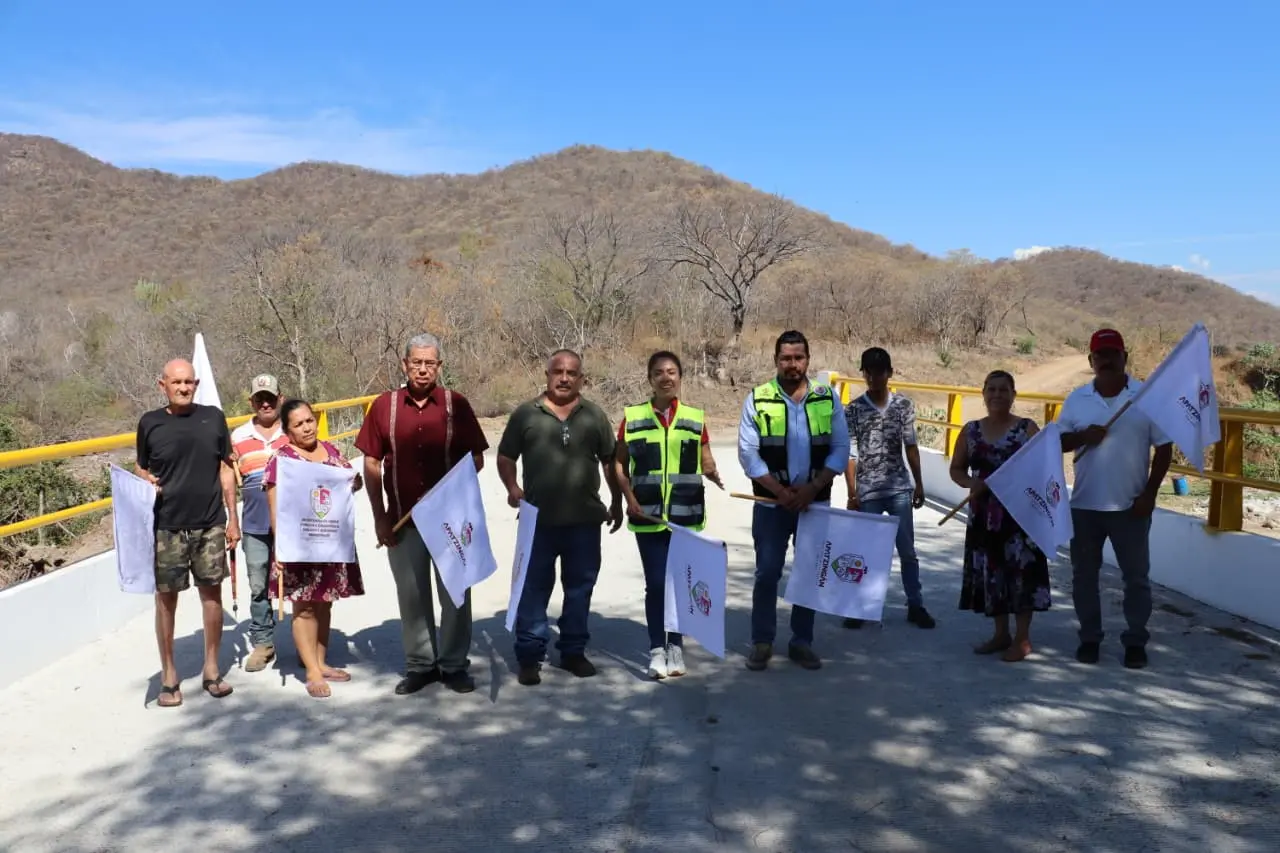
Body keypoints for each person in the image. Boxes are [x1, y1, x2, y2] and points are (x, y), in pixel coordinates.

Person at [354, 333, 490, 695]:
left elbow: (476, 458)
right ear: (404, 364)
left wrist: (446, 491)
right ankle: (421, 665)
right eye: (417, 362)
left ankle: (454, 664)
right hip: (403, 520)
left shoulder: (455, 404)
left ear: (440, 367)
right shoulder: (384, 406)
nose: (423, 369)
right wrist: (379, 515)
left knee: (455, 593)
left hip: (449, 522)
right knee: (412, 596)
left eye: (430, 363)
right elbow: (371, 462)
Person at [498, 349, 624, 686]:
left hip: (584, 523)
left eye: (572, 372)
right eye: (558, 371)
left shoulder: (594, 416)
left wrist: (617, 501)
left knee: (580, 589)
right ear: (547, 374)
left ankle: (572, 651)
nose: (564, 378)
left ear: (582, 378)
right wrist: (512, 487)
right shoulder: (526, 414)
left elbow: (610, 461)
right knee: (533, 591)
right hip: (537, 522)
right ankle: (529, 656)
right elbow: (506, 455)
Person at [1058, 329, 1173, 669]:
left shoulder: (1146, 397)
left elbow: (1164, 448)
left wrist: (1149, 494)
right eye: (1100, 355)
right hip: (1084, 506)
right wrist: (1083, 436)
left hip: (1131, 507)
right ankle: (1090, 638)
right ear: (1091, 361)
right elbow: (1059, 441)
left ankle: (1135, 641)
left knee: (1136, 579)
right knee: (1083, 577)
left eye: (1113, 353)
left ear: (1125, 357)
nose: (1106, 360)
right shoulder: (1076, 399)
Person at [738, 330, 851, 672]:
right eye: (785, 358)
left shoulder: (826, 397)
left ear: (807, 360)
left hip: (814, 504)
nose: (792, 364)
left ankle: (802, 641)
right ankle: (762, 641)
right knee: (767, 573)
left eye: (798, 357)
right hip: (772, 505)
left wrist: (812, 487)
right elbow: (748, 453)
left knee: (809, 572)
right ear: (776, 360)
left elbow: (841, 448)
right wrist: (782, 491)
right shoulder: (757, 398)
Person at [134, 358, 240, 707]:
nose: (183, 388)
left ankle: (212, 670)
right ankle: (169, 674)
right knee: (166, 600)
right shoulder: (149, 423)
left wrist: (232, 519)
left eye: (189, 382)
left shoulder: (213, 418)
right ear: (161, 384)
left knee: (212, 597)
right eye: (176, 382)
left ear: (196, 384)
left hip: (209, 522)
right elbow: (142, 466)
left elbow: (226, 468)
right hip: (166, 526)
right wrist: (144, 480)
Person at [614, 351, 725, 680]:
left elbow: (705, 458)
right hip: (646, 515)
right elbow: (619, 464)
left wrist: (714, 474)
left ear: (680, 377)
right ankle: (656, 649)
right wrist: (628, 498)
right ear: (650, 379)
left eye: (672, 371)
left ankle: (676, 645)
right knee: (656, 584)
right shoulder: (632, 418)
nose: (667, 377)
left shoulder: (694, 417)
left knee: (680, 584)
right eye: (659, 372)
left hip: (685, 515)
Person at [264, 399, 366, 699]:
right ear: (287, 429)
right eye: (299, 424)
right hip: (298, 545)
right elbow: (274, 508)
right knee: (304, 607)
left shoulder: (332, 451)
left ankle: (321, 661)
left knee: (325, 602)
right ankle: (310, 670)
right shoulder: (281, 461)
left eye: (309, 420)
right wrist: (280, 548)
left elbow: (346, 485)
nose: (307, 427)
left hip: (330, 541)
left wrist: (354, 483)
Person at [949, 370, 1052, 662]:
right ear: (983, 393)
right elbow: (956, 469)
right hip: (985, 517)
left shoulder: (1027, 429)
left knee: (1022, 574)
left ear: (1013, 395)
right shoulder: (970, 431)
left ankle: (1022, 639)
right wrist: (973, 483)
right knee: (992, 573)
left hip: (1020, 516)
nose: (997, 395)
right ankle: (1000, 634)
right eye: (991, 389)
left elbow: (1044, 468)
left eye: (1003, 390)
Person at [842, 346, 934, 629]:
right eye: (868, 373)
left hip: (898, 490)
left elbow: (911, 445)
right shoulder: (854, 410)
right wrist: (852, 492)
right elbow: (851, 453)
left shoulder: (903, 406)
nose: (873, 378)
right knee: (866, 553)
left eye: (879, 372)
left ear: (889, 373)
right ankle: (860, 607)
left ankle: (915, 604)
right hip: (868, 491)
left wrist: (919, 483)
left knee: (907, 551)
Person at [230, 373, 290, 672]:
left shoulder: (293, 430)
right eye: (259, 399)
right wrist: (229, 521)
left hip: (292, 524)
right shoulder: (238, 437)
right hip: (254, 524)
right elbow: (228, 477)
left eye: (270, 398)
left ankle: (309, 644)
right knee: (258, 583)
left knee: (301, 583)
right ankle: (263, 643)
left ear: (280, 398)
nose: (265, 403)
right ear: (252, 402)